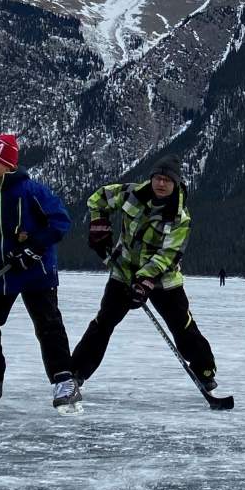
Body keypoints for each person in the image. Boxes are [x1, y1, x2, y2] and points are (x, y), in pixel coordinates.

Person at [70, 160, 220, 391]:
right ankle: (76, 373)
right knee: (103, 323)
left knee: (183, 327)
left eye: (167, 180)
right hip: (123, 270)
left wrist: (145, 280)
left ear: (176, 183)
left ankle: (205, 370)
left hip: (164, 280)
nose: (161, 183)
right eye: (157, 178)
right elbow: (98, 198)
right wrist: (99, 223)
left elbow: (168, 254)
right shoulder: (132, 193)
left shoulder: (180, 218)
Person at [0, 133, 79, 412]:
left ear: (8, 164)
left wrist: (34, 248)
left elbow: (60, 222)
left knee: (48, 326)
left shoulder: (32, 191)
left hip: (36, 272)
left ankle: (64, 381)